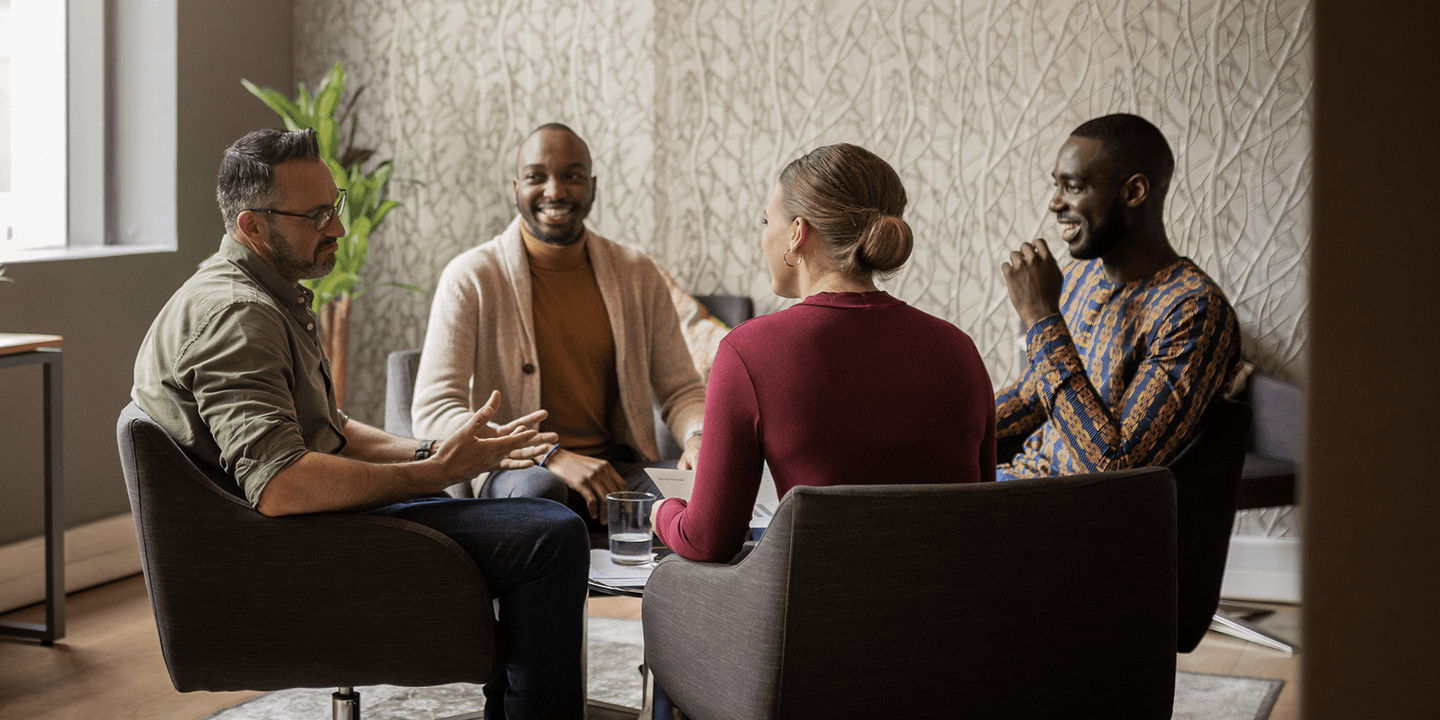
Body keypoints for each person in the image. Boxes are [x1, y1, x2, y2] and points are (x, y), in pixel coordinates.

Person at [132, 128, 589, 720]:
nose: (339, 229)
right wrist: (433, 475)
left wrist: (433, 450)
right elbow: (282, 485)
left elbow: (332, 428)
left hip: (306, 530)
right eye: (318, 215)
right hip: (291, 553)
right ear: (251, 226)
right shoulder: (238, 316)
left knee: (539, 519)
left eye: (336, 206)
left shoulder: (262, 294)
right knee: (550, 535)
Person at [653, 143, 997, 564]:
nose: (764, 235)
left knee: (672, 574)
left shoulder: (749, 350)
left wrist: (662, 511)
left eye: (767, 221)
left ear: (798, 232)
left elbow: (708, 541)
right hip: (951, 616)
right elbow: (981, 516)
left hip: (816, 617)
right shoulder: (958, 348)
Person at [413, 123, 706, 527]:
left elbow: (682, 389)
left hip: (615, 471)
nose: (555, 191)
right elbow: (433, 411)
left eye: (572, 176)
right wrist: (549, 455)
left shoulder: (638, 273)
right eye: (537, 177)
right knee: (543, 496)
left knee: (700, 500)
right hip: (517, 469)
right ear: (516, 187)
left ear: (593, 185)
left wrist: (698, 438)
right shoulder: (470, 276)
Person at [994, 113, 1242, 481]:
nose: (1055, 204)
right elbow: (1031, 396)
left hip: (1078, 519)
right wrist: (939, 428)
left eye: (1073, 187)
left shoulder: (1194, 311)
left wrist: (1042, 318)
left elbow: (1116, 467)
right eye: (1056, 186)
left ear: (1133, 192)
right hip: (1017, 484)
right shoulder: (1081, 276)